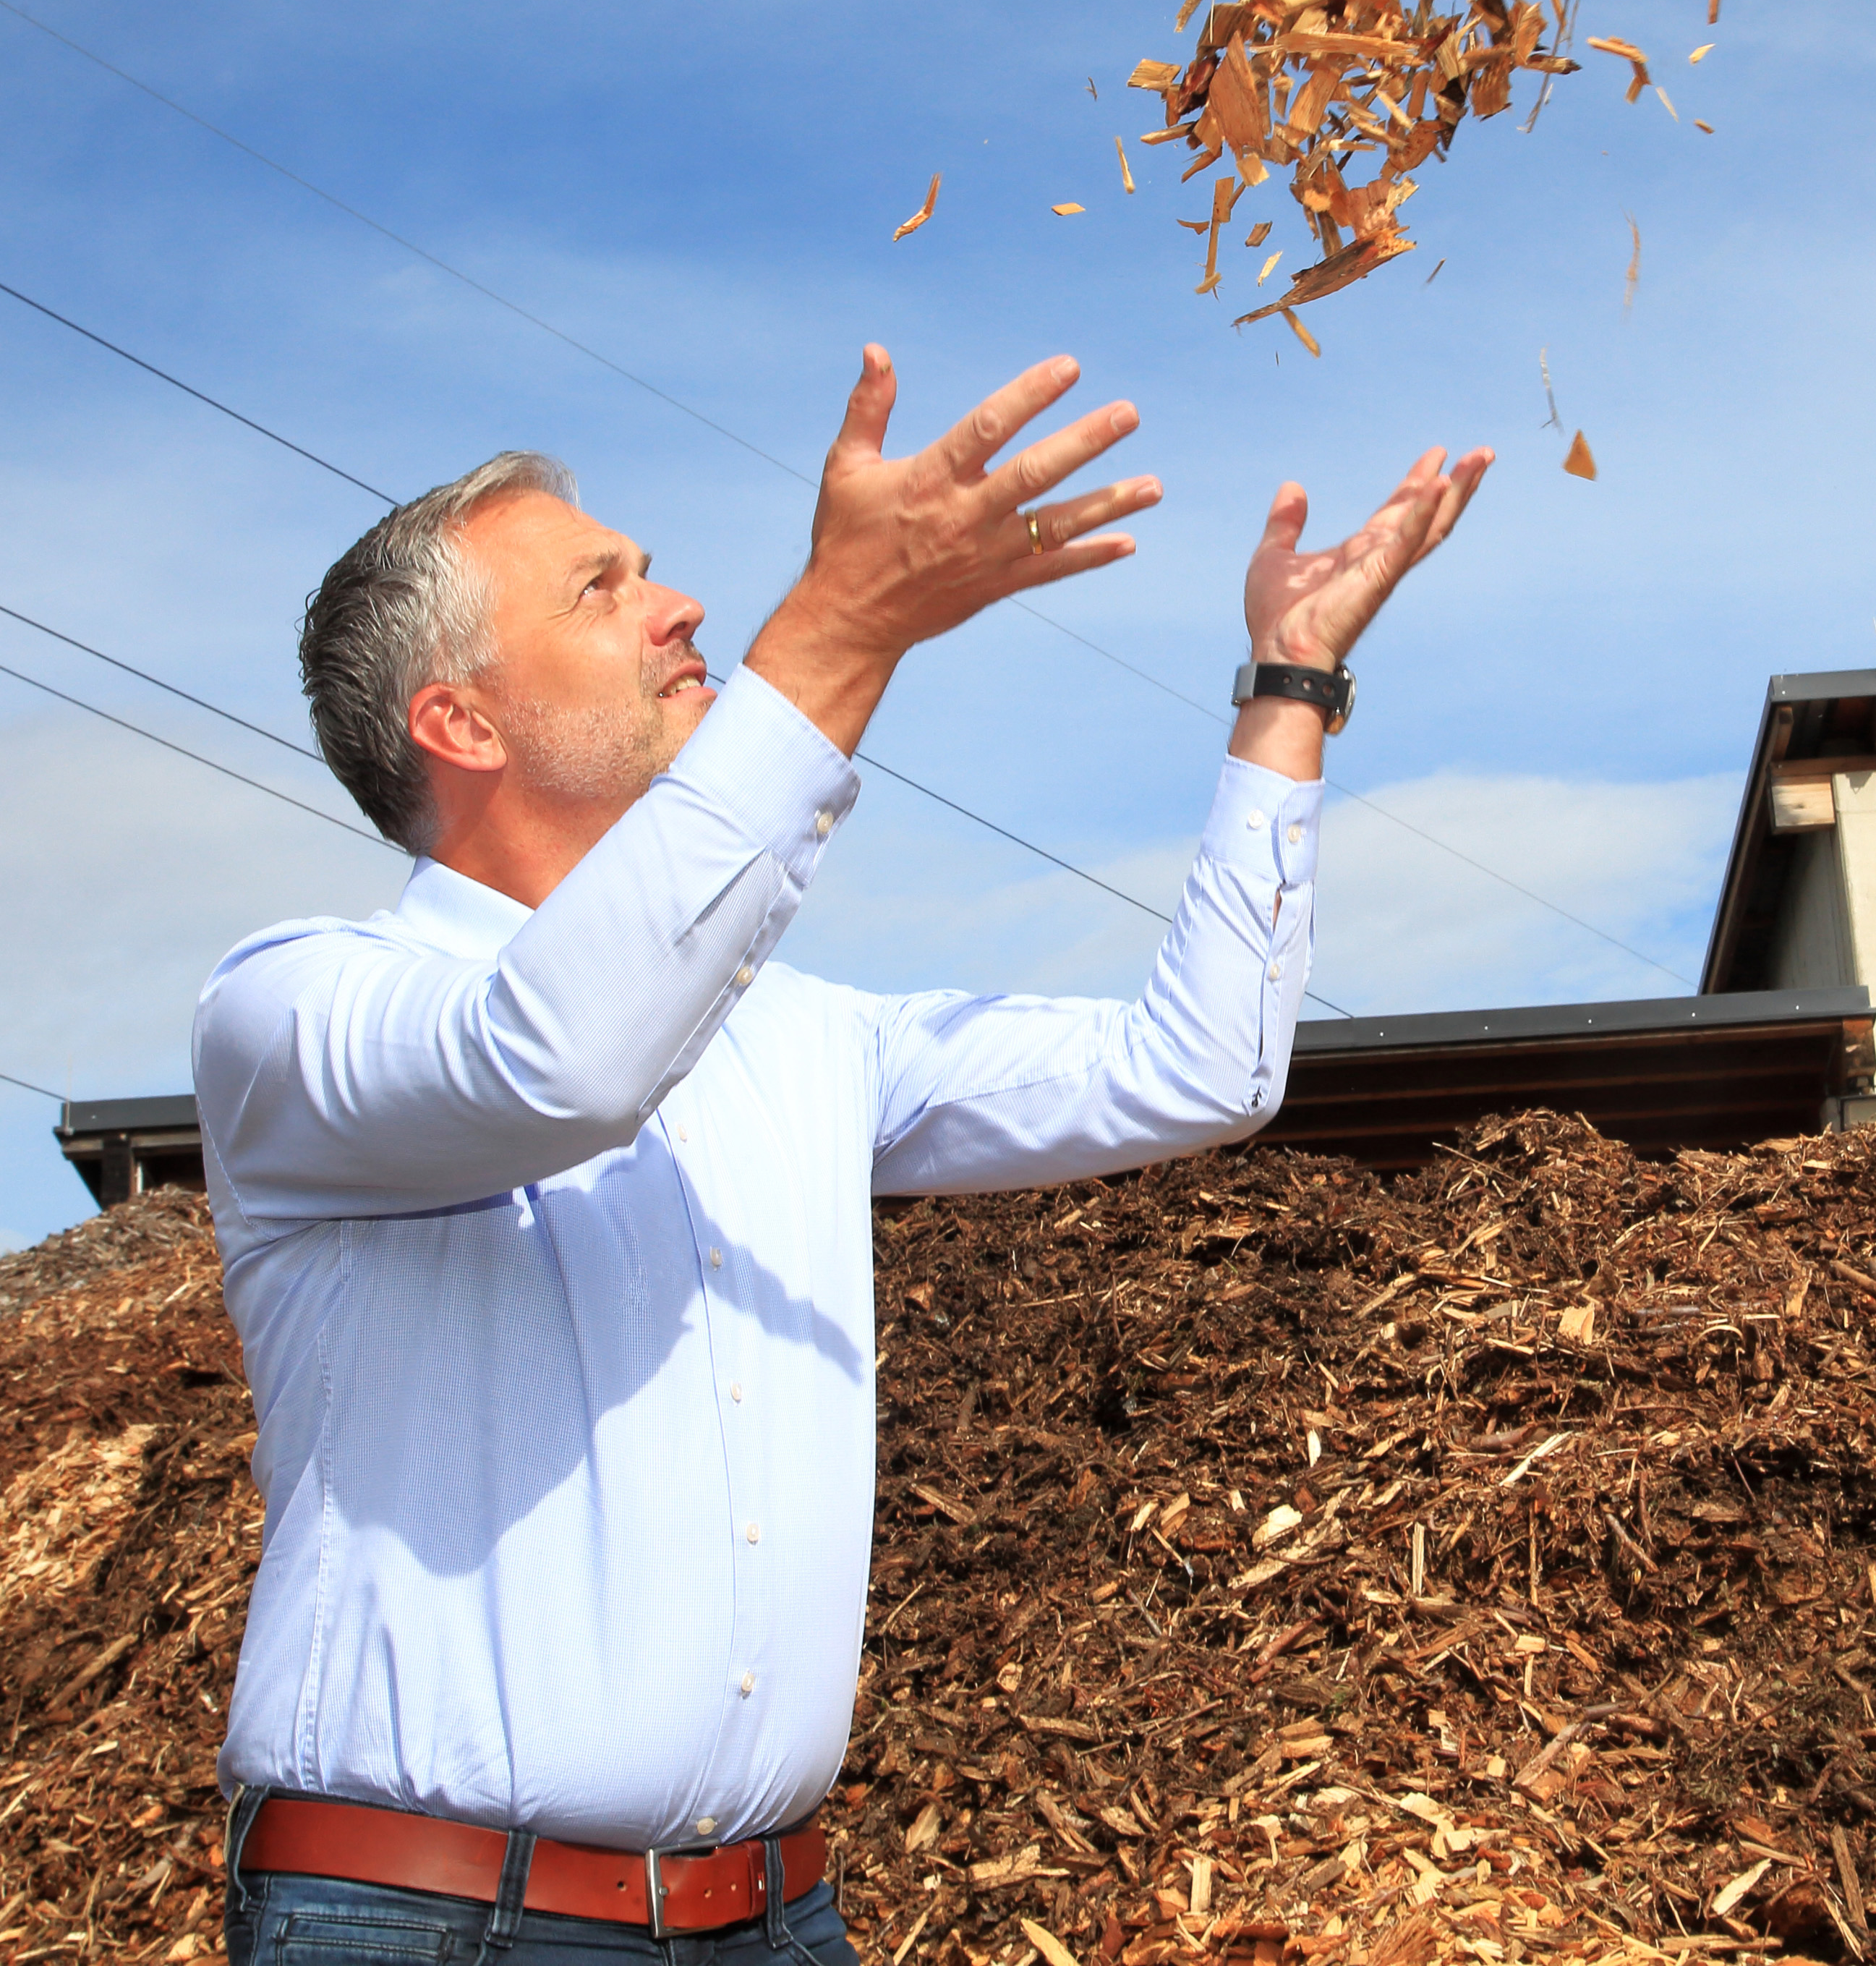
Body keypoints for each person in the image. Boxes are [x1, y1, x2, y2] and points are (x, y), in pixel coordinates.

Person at [195, 344, 1490, 1963]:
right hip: (426, 1922)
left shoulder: (802, 1038)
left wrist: (1289, 685)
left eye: (652, 571)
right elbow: (560, 1058)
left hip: (777, 1914)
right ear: (456, 717)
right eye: (604, 588)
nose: (679, 609)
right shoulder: (298, 1015)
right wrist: (844, 627)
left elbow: (1199, 1068)